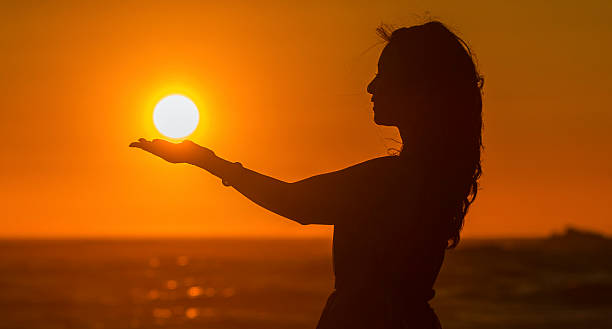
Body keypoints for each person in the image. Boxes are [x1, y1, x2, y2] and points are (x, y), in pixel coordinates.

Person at [130, 20, 483, 329]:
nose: (371, 87)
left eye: (384, 74)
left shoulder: (392, 181)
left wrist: (205, 160)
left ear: (417, 88)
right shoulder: (433, 177)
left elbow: (295, 202)